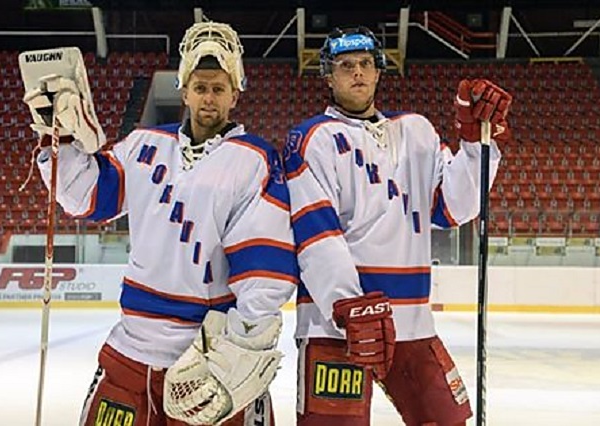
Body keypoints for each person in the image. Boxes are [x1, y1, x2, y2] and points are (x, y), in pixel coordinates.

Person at [25, 21, 297, 425]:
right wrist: (60, 138)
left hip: (206, 359)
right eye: (200, 87)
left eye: (218, 88)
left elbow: (265, 268)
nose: (208, 98)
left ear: (235, 95)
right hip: (130, 351)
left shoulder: (254, 159)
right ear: (184, 91)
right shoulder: (144, 144)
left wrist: (240, 349)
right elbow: (86, 196)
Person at [283, 26, 511, 426]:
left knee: (446, 421)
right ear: (329, 76)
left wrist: (476, 144)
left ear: (378, 72)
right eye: (346, 65)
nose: (357, 72)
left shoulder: (416, 131)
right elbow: (315, 233)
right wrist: (347, 305)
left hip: (412, 323)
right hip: (336, 327)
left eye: (365, 63)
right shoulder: (311, 139)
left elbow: (454, 208)